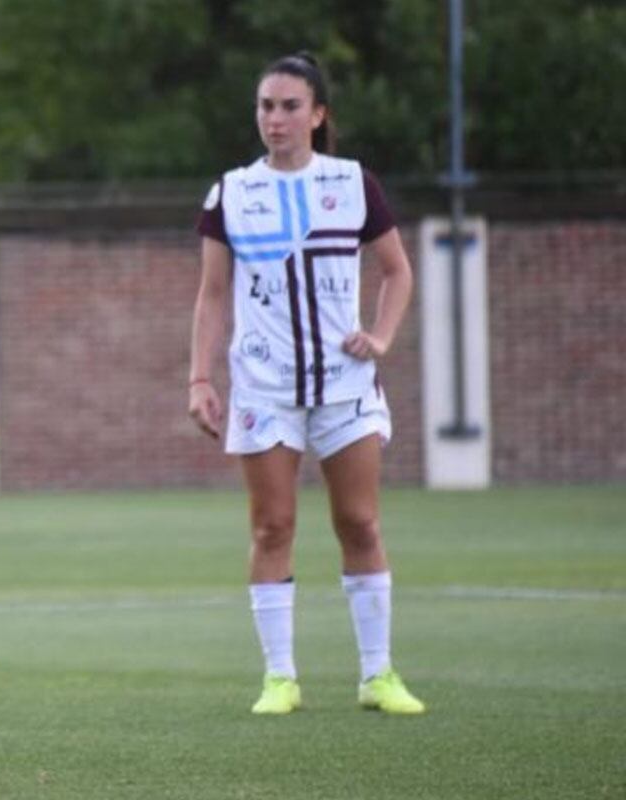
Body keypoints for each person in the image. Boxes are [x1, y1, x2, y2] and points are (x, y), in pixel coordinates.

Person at [188, 52, 423, 715]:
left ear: (318, 115)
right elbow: (212, 294)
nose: (276, 118)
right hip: (264, 387)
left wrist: (380, 337)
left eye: (291, 106)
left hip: (345, 385)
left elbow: (398, 271)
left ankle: (378, 675)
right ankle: (279, 679)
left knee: (360, 521)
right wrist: (200, 377)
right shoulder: (232, 193)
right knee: (273, 527)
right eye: (266, 106)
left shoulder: (353, 184)